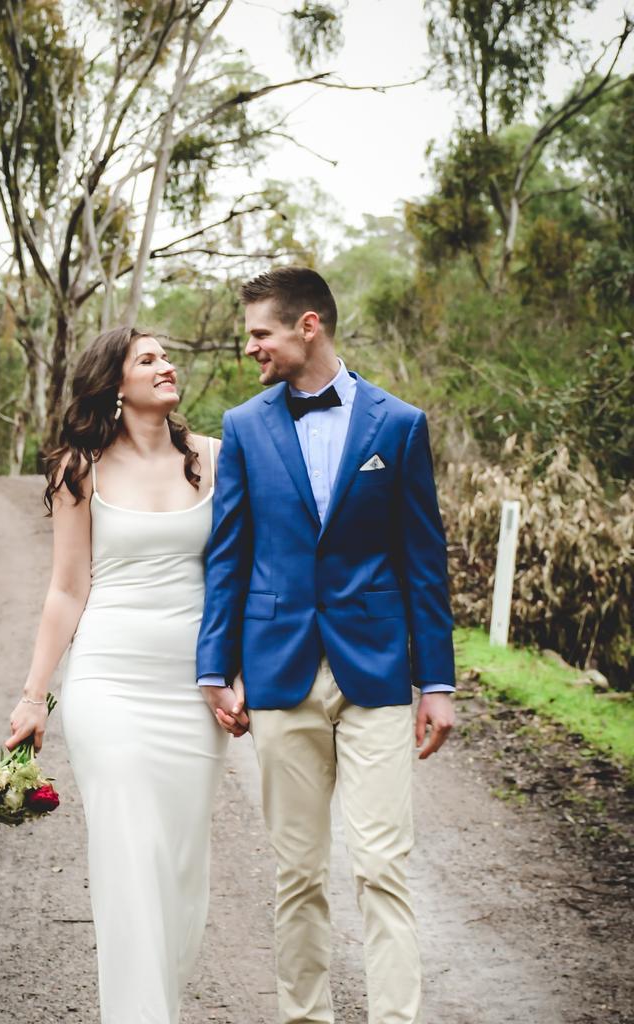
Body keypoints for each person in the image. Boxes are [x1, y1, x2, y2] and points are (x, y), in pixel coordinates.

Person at [197, 267, 456, 1024]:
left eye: (260, 333)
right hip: (279, 671)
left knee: (382, 867)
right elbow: (228, 554)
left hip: (374, 671)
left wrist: (435, 683)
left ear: (308, 325)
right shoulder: (244, 427)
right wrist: (217, 666)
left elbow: (423, 560)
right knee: (298, 873)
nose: (251, 348)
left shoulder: (398, 424)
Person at [5, 326, 248, 1024]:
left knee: (178, 869)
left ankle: (157, 1006)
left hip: (193, 691)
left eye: (167, 357)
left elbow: (242, 576)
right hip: (109, 685)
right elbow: (66, 591)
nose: (166, 366)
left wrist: (241, 673)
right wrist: (34, 697)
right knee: (128, 861)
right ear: (116, 382)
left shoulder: (218, 459)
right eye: (148, 359)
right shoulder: (79, 468)